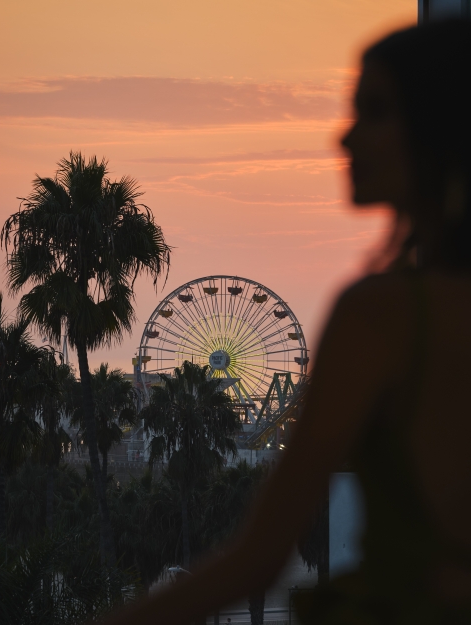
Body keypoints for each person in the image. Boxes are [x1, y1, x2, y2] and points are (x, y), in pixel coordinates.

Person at [105, 20, 471, 625]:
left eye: (376, 112)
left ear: (443, 131)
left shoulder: (383, 315)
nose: (346, 137)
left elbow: (257, 559)